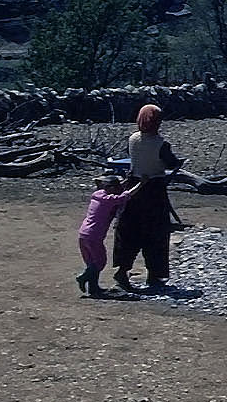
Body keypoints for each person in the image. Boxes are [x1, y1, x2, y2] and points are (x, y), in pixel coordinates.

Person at [113, 103, 182, 289]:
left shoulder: (133, 139)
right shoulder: (161, 144)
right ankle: (154, 274)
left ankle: (122, 270)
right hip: (153, 189)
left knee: (129, 231)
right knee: (156, 233)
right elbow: (171, 163)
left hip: (134, 187)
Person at [76, 174, 138, 297]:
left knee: (92, 263)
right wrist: (142, 183)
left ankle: (94, 289)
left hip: (84, 233)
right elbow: (126, 196)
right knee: (100, 262)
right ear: (111, 188)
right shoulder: (109, 199)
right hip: (94, 235)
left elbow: (118, 190)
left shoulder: (98, 194)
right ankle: (83, 277)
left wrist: (126, 181)